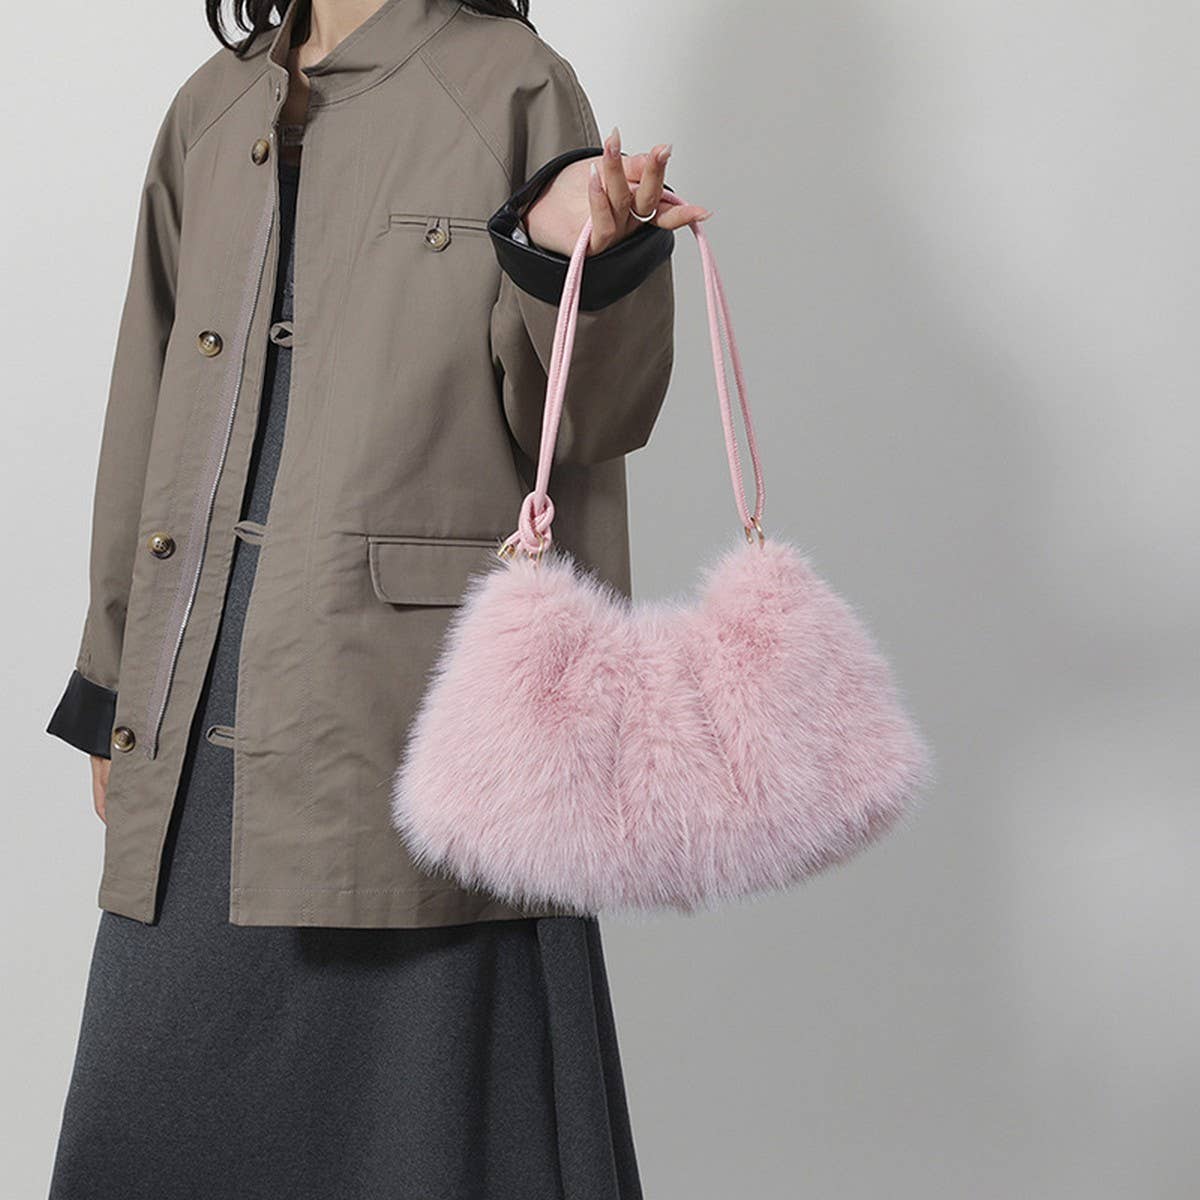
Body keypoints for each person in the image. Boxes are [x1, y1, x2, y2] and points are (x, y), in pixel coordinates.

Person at [45, 0, 708, 1195]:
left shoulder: (510, 83)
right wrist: (111, 677)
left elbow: (594, 420)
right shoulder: (212, 107)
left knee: (429, 1139)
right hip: (200, 706)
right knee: (154, 1122)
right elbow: (146, 394)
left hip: (414, 722)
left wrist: (577, 258)